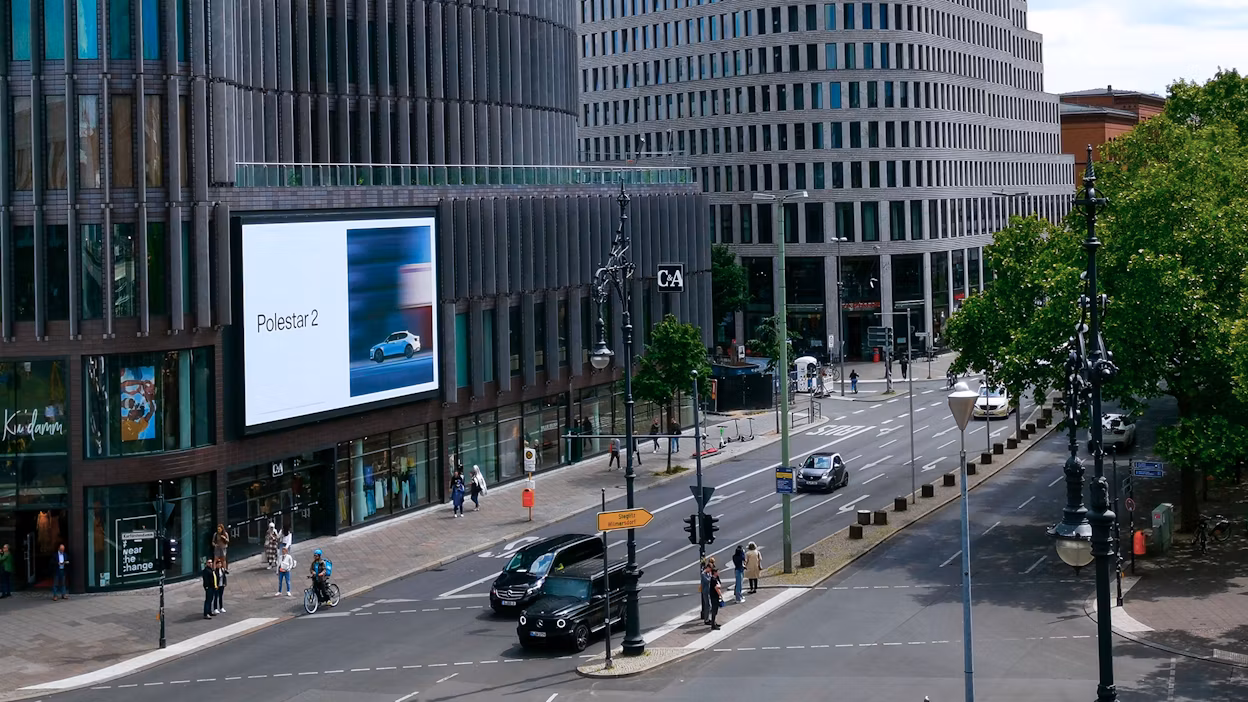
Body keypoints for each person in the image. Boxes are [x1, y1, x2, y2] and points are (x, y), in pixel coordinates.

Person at [699, 559, 713, 624]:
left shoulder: (708, 573)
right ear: (707, 568)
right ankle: (706, 619)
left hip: (708, 590)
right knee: (708, 605)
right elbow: (707, 581)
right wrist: (711, 577)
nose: (710, 571)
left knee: (709, 605)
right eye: (710, 569)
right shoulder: (703, 574)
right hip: (705, 591)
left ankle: (708, 618)